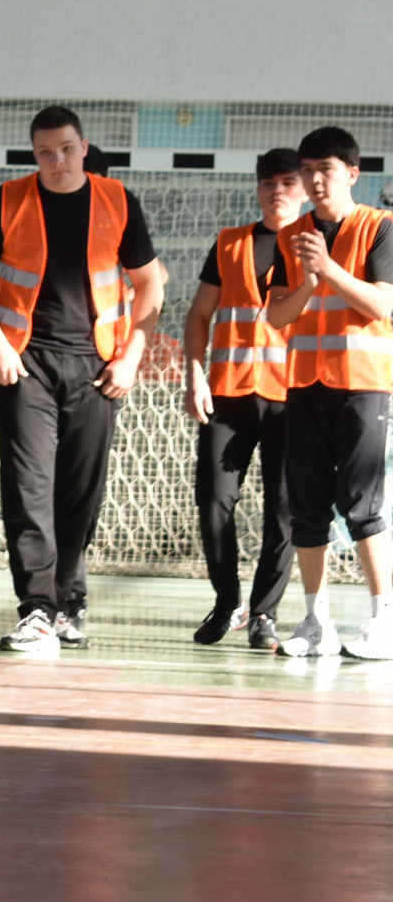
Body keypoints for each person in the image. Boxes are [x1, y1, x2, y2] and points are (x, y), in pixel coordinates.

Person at [0, 106, 163, 656]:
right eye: (45, 152)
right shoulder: (4, 202)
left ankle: (68, 602)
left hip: (98, 368)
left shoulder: (118, 202)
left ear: (84, 148)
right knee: (28, 489)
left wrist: (131, 358)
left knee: (80, 494)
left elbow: (150, 285)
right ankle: (37, 610)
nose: (58, 160)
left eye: (67, 149)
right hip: (25, 365)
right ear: (34, 154)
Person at [263, 127, 393, 660]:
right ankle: (316, 622)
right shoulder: (291, 235)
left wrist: (328, 268)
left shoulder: (379, 227)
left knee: (362, 505)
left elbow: (381, 305)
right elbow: (276, 315)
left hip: (363, 385)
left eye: (327, 170)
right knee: (308, 507)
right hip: (305, 384)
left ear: (352, 174)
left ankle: (384, 618)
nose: (316, 180)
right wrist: (309, 282)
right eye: (309, 170)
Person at [182, 150, 302, 650]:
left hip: (292, 395)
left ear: (304, 187)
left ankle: (264, 613)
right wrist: (194, 374)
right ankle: (228, 600)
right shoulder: (230, 243)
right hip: (228, 392)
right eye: (268, 182)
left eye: (288, 182)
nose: (277, 191)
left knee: (285, 507)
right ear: (257, 188)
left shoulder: (318, 245)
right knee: (213, 499)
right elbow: (198, 314)